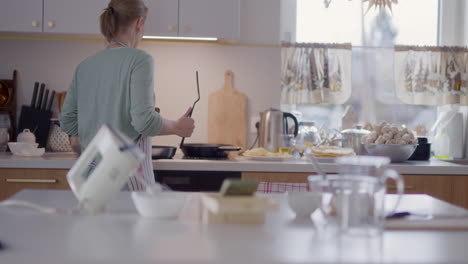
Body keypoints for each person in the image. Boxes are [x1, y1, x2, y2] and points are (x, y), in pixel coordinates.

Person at [59, 0, 195, 191]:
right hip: (125, 180)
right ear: (139, 23)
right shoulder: (140, 60)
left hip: (91, 179)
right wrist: (176, 127)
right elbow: (144, 122)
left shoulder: (85, 66)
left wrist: (99, 120)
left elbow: (67, 123)